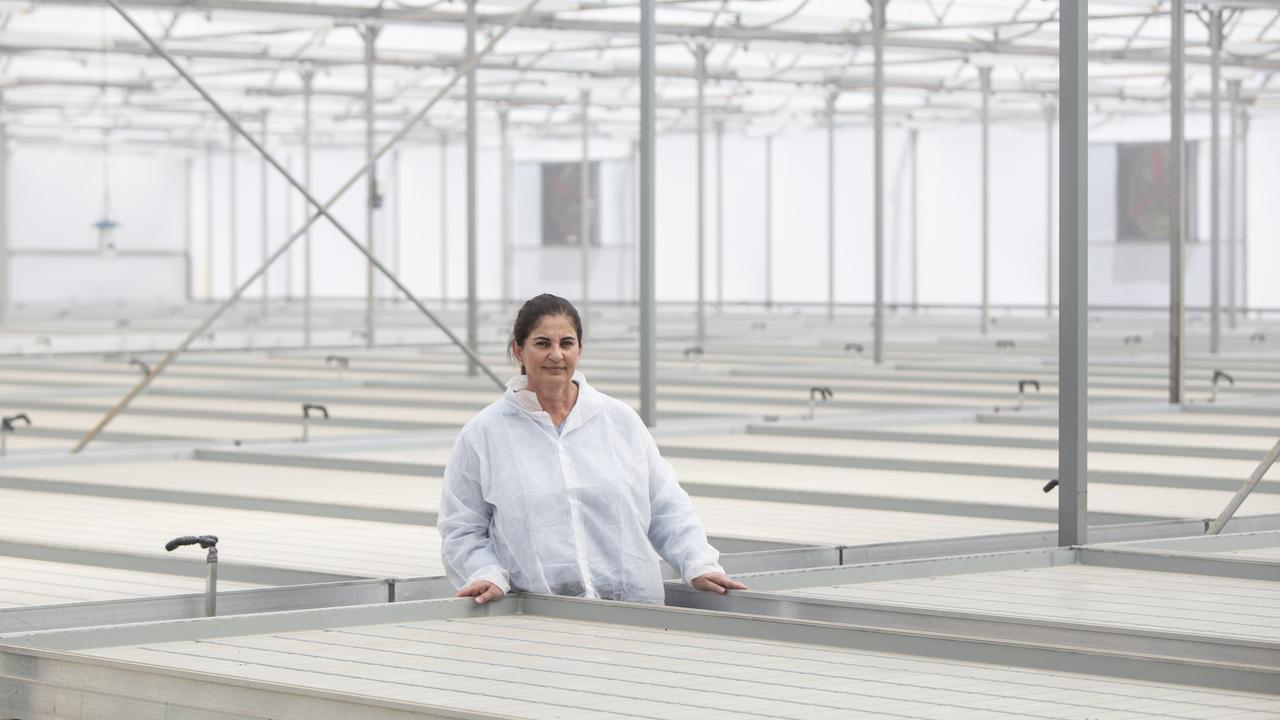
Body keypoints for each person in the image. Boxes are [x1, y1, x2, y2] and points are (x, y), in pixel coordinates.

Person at [438, 293, 747, 605]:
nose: (556, 355)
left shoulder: (618, 421)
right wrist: (485, 574)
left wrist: (697, 563)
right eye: (542, 343)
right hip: (536, 615)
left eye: (566, 343)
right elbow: (462, 528)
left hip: (634, 609)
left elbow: (666, 505)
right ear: (519, 350)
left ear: (580, 349)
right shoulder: (485, 433)